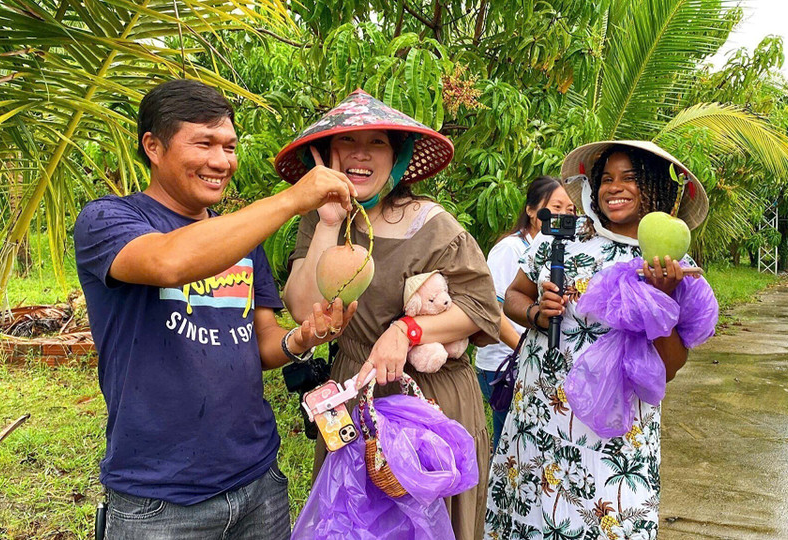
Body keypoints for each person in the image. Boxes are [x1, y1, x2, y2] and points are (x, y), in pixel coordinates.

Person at [74, 79, 358, 539]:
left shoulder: (242, 238)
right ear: (153, 146)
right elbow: (169, 262)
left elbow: (260, 340)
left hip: (258, 481)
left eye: (229, 146)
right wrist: (290, 199)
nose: (221, 161)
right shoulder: (108, 219)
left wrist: (301, 339)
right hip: (158, 499)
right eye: (203, 143)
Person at [276, 89, 501, 539]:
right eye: (347, 143)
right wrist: (325, 221)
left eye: (377, 143)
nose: (360, 155)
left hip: (430, 398)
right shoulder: (321, 221)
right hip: (357, 393)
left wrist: (408, 330)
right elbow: (304, 308)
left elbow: (481, 310)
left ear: (398, 157)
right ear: (327, 154)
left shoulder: (432, 224)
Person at [484, 141, 710, 539]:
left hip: (613, 436)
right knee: (529, 518)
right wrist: (536, 313)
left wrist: (661, 299)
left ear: (655, 187)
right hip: (539, 419)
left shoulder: (671, 266)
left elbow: (670, 368)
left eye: (630, 178)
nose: (614, 188)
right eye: (606, 178)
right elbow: (514, 297)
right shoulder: (562, 240)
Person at [475, 176, 574, 452]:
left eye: (571, 209)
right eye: (556, 206)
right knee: (509, 442)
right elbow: (494, 307)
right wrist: (523, 348)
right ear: (532, 210)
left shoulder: (558, 247)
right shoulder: (511, 249)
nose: (564, 215)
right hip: (502, 364)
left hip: (526, 362)